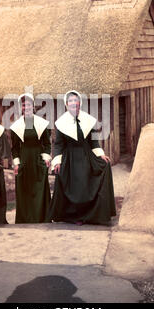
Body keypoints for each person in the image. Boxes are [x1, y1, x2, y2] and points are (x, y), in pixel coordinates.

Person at [48, 90, 116, 225]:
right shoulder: (61, 123)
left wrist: (100, 155)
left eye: (75, 100)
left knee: (101, 169)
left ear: (80, 102)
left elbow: (94, 142)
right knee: (74, 185)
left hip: (86, 156)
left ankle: (92, 215)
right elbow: (58, 145)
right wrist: (57, 161)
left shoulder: (88, 120)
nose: (73, 103)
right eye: (70, 101)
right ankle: (76, 216)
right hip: (70, 158)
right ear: (67, 104)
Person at [10, 93, 51, 223]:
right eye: (23, 104)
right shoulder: (16, 126)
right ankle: (26, 219)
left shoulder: (42, 123)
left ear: (33, 106)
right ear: (20, 107)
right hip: (24, 160)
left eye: (28, 104)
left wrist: (46, 158)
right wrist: (16, 163)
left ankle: (41, 217)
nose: (26, 107)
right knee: (25, 191)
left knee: (39, 190)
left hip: (37, 159)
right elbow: (15, 148)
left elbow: (47, 144)